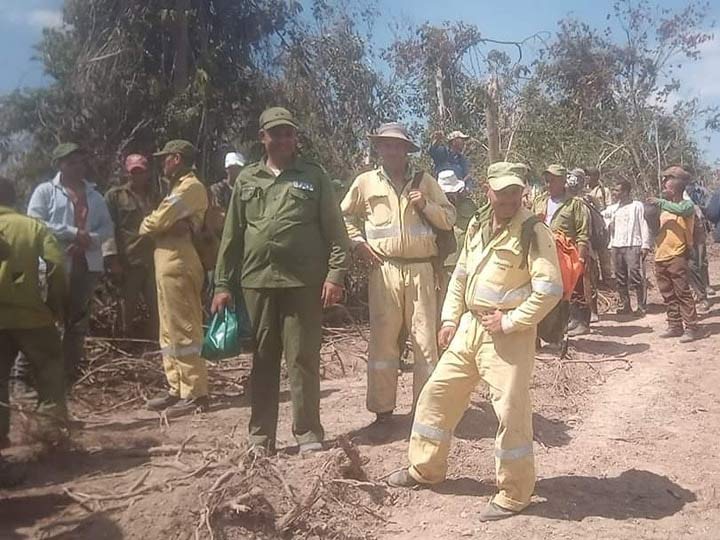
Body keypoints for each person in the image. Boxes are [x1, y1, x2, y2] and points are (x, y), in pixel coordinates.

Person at [386, 162, 562, 522]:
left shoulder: (533, 230)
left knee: (511, 411)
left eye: (516, 190)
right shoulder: (478, 225)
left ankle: (514, 494)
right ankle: (425, 469)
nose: (510, 198)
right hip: (470, 327)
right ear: (488, 190)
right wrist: (450, 318)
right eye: (502, 191)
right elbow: (461, 274)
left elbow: (549, 290)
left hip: (508, 335)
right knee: (437, 394)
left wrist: (510, 321)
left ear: (522, 191)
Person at [212, 107, 350, 454]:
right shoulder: (246, 179)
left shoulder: (313, 176)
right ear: (263, 138)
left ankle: (308, 434)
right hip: (257, 283)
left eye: (289, 132)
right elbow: (232, 237)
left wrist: (335, 275)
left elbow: (337, 232)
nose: (284, 139)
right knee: (263, 359)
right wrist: (222, 285)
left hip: (303, 284)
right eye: (276, 133)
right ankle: (261, 437)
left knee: (302, 358)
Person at [342, 122, 456, 430]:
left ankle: (427, 410)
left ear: (407, 151)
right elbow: (341, 217)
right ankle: (382, 413)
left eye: (399, 146)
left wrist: (426, 204)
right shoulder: (365, 182)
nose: (393, 151)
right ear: (379, 148)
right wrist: (358, 244)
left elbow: (448, 219)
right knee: (383, 342)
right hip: (383, 269)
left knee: (425, 342)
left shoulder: (426, 182)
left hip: (421, 269)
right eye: (387, 145)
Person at [0, 177, 68, 486]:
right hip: (33, 318)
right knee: (51, 370)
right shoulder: (33, 227)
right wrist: (55, 306)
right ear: (14, 196)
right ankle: (50, 434)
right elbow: (55, 266)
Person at [27, 143, 113, 382]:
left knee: (77, 322)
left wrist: (90, 239)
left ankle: (67, 373)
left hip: (86, 266)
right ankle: (41, 371)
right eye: (71, 162)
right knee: (49, 318)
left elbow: (107, 228)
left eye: (80, 162)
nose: (78, 167)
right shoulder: (45, 191)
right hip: (55, 265)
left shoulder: (95, 196)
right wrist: (73, 233)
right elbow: (35, 222)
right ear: (60, 165)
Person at [140, 140, 210, 415]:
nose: (162, 163)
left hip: (180, 262)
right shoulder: (176, 188)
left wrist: (158, 223)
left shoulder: (190, 187)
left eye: (165, 158)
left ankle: (195, 392)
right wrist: (161, 224)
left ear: (177, 158)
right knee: (168, 329)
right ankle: (176, 387)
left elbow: (153, 223)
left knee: (185, 328)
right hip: (166, 261)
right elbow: (157, 223)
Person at [103, 154, 160, 337]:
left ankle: (156, 343)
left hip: (154, 260)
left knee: (157, 305)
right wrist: (112, 259)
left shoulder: (157, 195)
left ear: (148, 173)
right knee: (126, 307)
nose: (137, 176)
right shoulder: (115, 196)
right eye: (133, 172)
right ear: (127, 173)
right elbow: (107, 228)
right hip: (128, 261)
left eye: (141, 172)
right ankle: (124, 342)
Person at [532, 165, 590, 336]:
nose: (549, 184)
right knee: (548, 290)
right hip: (544, 253)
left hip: (567, 255)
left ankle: (580, 322)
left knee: (574, 289)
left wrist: (580, 259)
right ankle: (552, 329)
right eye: (547, 180)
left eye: (553, 180)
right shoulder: (540, 202)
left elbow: (583, 233)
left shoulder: (575, 204)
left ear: (563, 181)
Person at [649, 167, 701, 343]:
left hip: (677, 254)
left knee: (682, 292)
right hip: (661, 254)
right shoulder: (664, 206)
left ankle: (692, 327)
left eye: (668, 180)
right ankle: (674, 325)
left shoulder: (686, 205)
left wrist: (660, 202)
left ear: (679, 184)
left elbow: (681, 211)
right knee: (668, 293)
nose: (665, 183)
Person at [602, 180, 651, 315]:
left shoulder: (637, 206)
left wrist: (645, 244)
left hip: (632, 245)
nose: (614, 193)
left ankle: (641, 306)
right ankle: (626, 305)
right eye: (614, 190)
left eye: (617, 190)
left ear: (625, 192)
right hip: (616, 245)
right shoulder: (613, 208)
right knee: (620, 276)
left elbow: (643, 224)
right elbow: (602, 218)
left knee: (634, 274)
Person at [437, 170, 477, 299]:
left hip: (468, 263)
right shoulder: (434, 208)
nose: (450, 197)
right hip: (445, 265)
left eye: (452, 193)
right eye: (447, 194)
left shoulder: (469, 206)